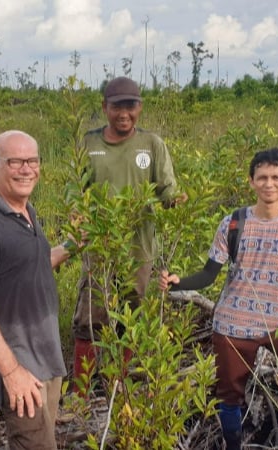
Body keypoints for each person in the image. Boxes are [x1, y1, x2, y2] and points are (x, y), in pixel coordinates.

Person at [160, 148, 278, 450]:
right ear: (251, 182)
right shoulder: (233, 223)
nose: (269, 184)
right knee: (229, 397)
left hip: (276, 324)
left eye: (276, 177)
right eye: (262, 178)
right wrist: (178, 284)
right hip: (232, 325)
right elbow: (209, 274)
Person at [0, 130, 71, 450]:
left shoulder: (26, 212)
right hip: (20, 367)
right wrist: (11, 371)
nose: (26, 169)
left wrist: (71, 245)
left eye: (32, 160)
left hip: (46, 359)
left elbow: (32, 265)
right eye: (15, 161)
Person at [72, 76, 186, 393]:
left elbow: (167, 191)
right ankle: (82, 392)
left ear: (140, 107)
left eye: (131, 105)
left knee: (131, 316)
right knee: (91, 316)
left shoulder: (152, 144)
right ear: (105, 107)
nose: (124, 113)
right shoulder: (89, 143)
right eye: (117, 105)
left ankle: (117, 382)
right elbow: (77, 191)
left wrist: (178, 202)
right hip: (100, 247)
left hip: (139, 249)